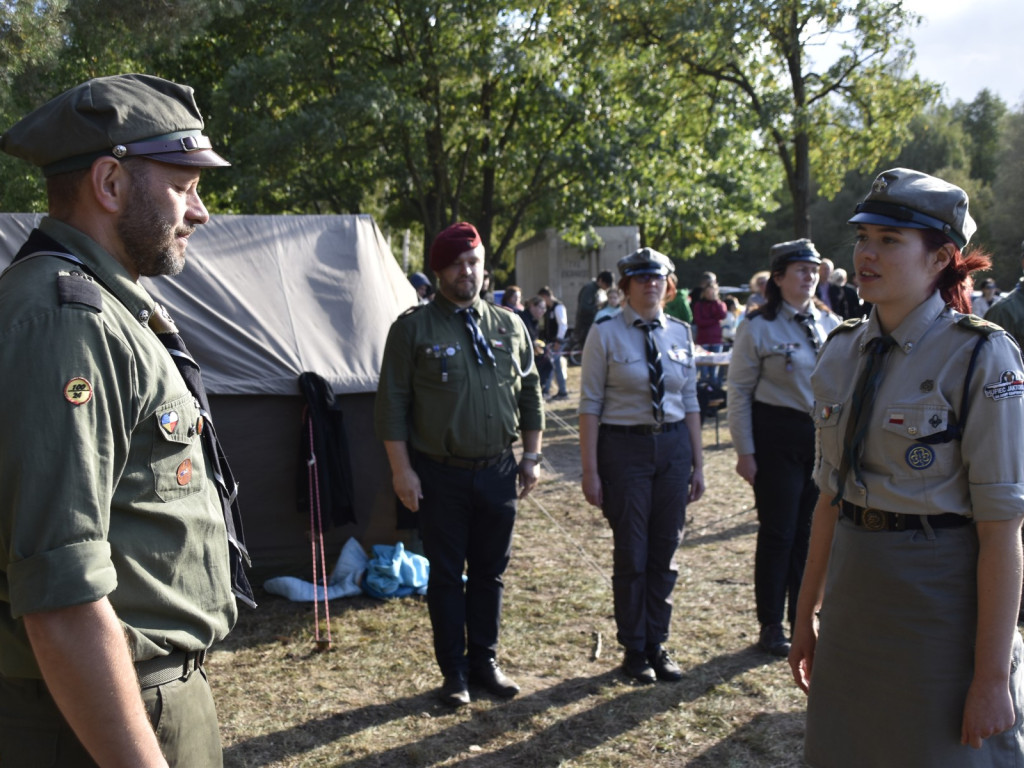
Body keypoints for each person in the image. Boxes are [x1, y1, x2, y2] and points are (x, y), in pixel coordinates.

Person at [0, 74, 252, 767]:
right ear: (110, 184)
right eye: (185, 186)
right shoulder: (65, 323)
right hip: (93, 720)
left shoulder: (105, 312)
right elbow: (62, 600)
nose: (200, 212)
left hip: (133, 699)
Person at [789, 168, 1024, 766]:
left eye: (890, 241)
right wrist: (805, 615)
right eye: (864, 237)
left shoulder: (979, 354)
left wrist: (992, 677)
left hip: (938, 601)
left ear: (942, 256)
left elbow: (1002, 530)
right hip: (853, 593)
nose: (867, 253)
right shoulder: (840, 349)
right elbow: (827, 500)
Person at [375, 221, 544, 708]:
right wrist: (401, 471)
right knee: (447, 576)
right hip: (440, 473)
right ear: (440, 269)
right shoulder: (412, 329)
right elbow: (392, 405)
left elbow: (530, 392)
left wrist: (531, 456)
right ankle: (454, 673)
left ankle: (485, 662)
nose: (467, 271)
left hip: (498, 471)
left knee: (491, 573)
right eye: (456, 264)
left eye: (474, 262)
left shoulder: (509, 324)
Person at [578, 247, 705, 684]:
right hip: (624, 449)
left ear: (668, 285)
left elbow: (689, 401)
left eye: (658, 277)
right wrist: (590, 470)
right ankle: (634, 647)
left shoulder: (680, 333)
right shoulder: (606, 332)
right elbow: (590, 404)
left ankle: (658, 642)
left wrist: (699, 464)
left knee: (665, 551)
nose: (651, 284)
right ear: (625, 286)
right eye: (641, 278)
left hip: (671, 449)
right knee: (632, 551)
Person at [726, 239, 840, 658]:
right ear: (778, 278)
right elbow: (738, 390)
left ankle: (803, 618)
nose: (809, 277)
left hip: (821, 438)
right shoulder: (758, 326)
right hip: (776, 436)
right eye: (800, 270)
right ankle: (771, 623)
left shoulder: (832, 323)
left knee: (812, 535)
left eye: (814, 270)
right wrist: (745, 450)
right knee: (779, 533)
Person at [692, 272, 727, 385]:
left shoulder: (719, 304)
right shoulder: (699, 305)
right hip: (703, 340)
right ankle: (703, 391)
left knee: (714, 372)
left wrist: (716, 300)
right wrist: (714, 321)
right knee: (704, 371)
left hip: (716, 340)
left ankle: (714, 392)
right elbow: (699, 321)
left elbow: (722, 315)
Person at [538, 286, 569, 399]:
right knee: (556, 366)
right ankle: (562, 391)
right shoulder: (549, 308)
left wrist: (558, 342)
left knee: (550, 364)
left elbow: (563, 325)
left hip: (557, 342)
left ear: (546, 296)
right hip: (551, 341)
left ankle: (546, 390)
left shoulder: (558, 307)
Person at [576, 270, 614, 344]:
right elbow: (584, 308)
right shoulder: (589, 289)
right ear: (600, 280)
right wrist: (598, 307)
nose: (607, 288)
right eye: (606, 285)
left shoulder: (598, 290)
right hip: (585, 327)